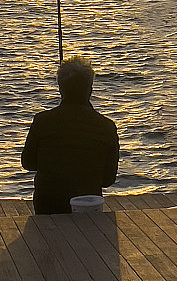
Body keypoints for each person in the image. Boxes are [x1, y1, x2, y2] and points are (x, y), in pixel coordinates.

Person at [21, 55, 119, 214]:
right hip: (88, 208)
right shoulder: (106, 126)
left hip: (47, 207)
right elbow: (108, 180)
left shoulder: (42, 121)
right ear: (90, 89)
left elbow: (28, 163)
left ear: (60, 88)